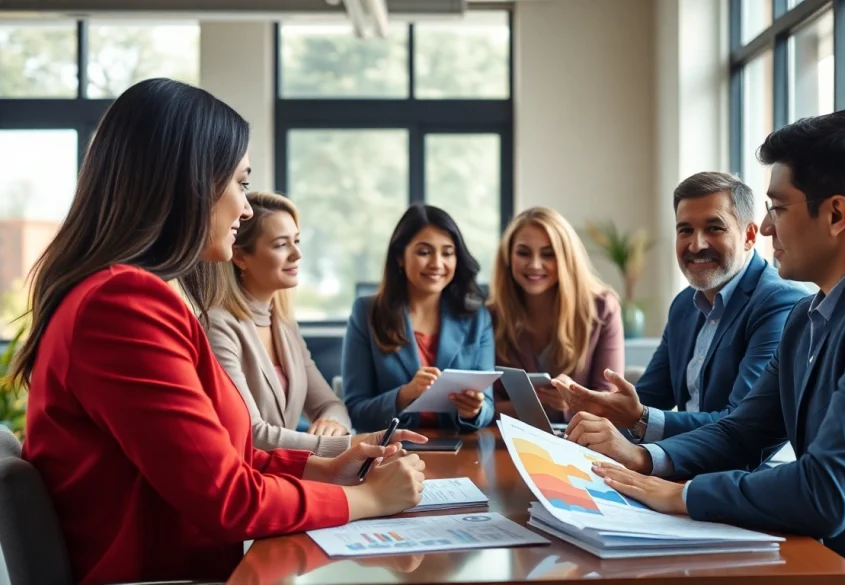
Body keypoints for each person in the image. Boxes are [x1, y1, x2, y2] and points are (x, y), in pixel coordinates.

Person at [12, 78, 428, 585]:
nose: (246, 208)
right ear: (187, 184)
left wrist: (324, 469)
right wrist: (368, 499)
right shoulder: (122, 304)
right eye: (240, 183)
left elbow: (224, 459)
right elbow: (227, 498)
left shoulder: (129, 295)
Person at [582, 111, 845, 582]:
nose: (766, 228)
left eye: (778, 208)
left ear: (836, 215)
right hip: (834, 560)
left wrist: (681, 495)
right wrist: (645, 460)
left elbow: (829, 489)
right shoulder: (811, 314)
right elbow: (742, 433)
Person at [556, 172, 805, 463]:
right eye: (685, 230)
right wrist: (595, 414)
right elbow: (648, 397)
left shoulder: (779, 302)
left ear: (749, 236)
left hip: (741, 475)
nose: (696, 245)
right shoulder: (684, 305)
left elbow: (738, 424)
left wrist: (639, 420)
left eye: (714, 228)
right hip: (681, 466)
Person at [206, 191, 354, 457]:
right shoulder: (218, 325)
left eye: (296, 241)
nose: (297, 254)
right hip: (248, 475)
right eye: (281, 245)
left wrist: (334, 425)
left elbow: (330, 405)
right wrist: (341, 445)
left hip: (288, 471)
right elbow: (252, 433)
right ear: (240, 257)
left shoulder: (284, 323)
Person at [343, 203, 496, 432]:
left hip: (460, 446)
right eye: (424, 252)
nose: (437, 264)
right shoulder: (366, 312)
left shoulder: (476, 317)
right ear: (400, 257)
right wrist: (405, 395)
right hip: (393, 447)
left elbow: (488, 405)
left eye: (447, 253)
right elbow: (356, 412)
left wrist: (474, 411)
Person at [487, 206, 624, 422]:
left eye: (548, 254)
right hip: (504, 438)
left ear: (567, 258)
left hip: (581, 438)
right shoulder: (491, 316)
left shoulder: (602, 308)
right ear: (507, 257)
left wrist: (572, 402)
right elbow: (483, 407)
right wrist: (543, 403)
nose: (535, 265)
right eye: (523, 253)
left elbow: (609, 403)